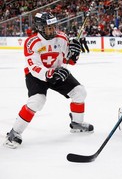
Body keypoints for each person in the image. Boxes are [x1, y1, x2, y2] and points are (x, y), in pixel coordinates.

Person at [4, 12, 94, 149]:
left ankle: (77, 124)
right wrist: (51, 73)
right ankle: (14, 133)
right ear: (40, 27)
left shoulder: (62, 38)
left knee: (80, 92)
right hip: (36, 76)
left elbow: (67, 60)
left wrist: (74, 53)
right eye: (48, 27)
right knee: (37, 101)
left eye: (53, 26)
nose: (52, 29)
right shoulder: (32, 42)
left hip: (56, 71)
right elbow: (34, 67)